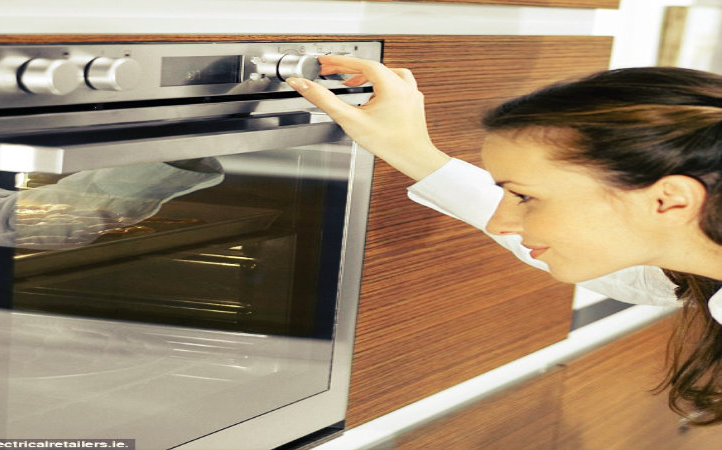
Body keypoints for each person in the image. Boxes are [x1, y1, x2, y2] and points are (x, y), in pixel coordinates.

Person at [286, 56, 722, 426]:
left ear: (669, 201)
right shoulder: (695, 271)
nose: (501, 223)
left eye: (524, 196)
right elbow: (633, 274)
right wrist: (414, 152)